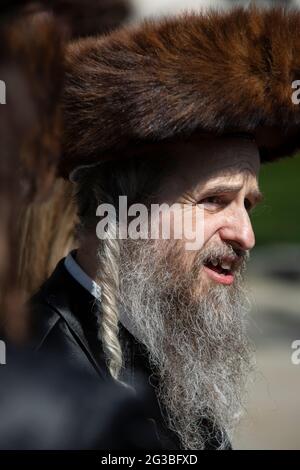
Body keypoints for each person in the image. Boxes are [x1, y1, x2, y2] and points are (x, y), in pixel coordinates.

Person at [29, 6, 300, 450]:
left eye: (247, 204)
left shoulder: (161, 335)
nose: (245, 235)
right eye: (214, 200)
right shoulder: (44, 387)